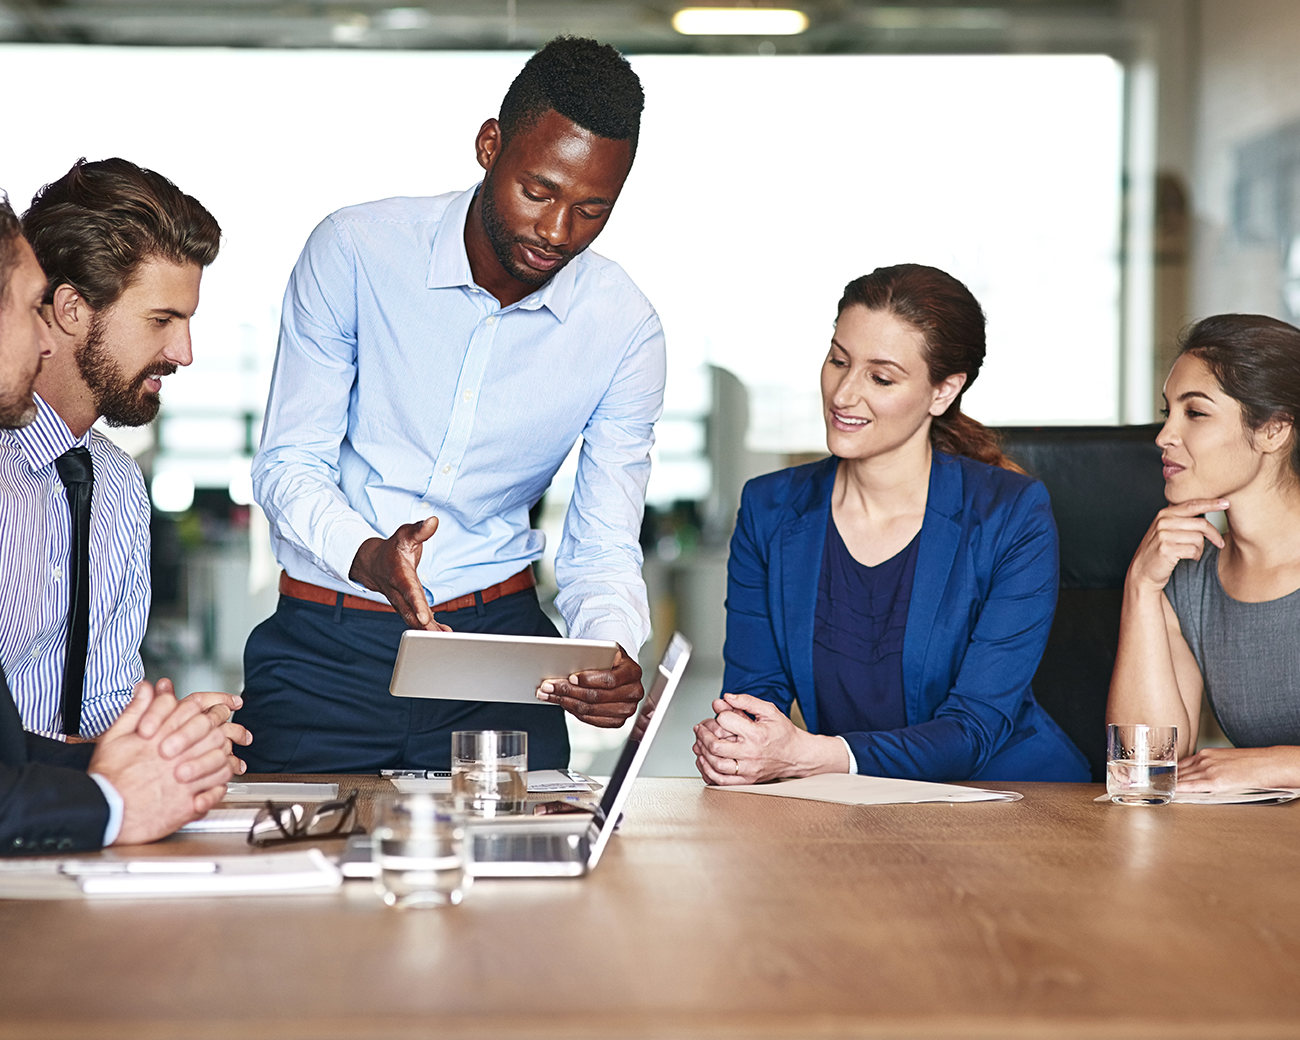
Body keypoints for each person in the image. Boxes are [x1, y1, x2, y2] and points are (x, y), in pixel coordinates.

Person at [239, 36, 664, 773]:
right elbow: (288, 464)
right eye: (538, 192)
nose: (557, 232)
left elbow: (601, 546)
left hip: (501, 656)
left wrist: (610, 650)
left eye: (592, 210)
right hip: (330, 643)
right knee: (296, 873)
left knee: (528, 879)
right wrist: (370, 556)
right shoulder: (355, 252)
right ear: (489, 145)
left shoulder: (625, 328)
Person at [693, 264, 1089, 785]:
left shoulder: (1011, 514)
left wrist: (814, 755)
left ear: (943, 392)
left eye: (880, 378)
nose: (843, 394)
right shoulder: (770, 508)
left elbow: (973, 729)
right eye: (838, 360)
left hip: (1011, 800)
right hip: (855, 804)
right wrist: (739, 743)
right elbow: (754, 696)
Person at [0, 195, 233, 853]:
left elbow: (103, 708)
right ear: (72, 311)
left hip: (88, 838)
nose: (183, 352)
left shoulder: (120, 484)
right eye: (162, 319)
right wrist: (108, 785)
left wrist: (164, 743)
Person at [1108, 314, 1300, 791]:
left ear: (1274, 430)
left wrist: (1278, 765)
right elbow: (1142, 772)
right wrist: (1142, 587)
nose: (1164, 436)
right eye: (1167, 412)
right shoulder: (1188, 576)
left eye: (1194, 413)